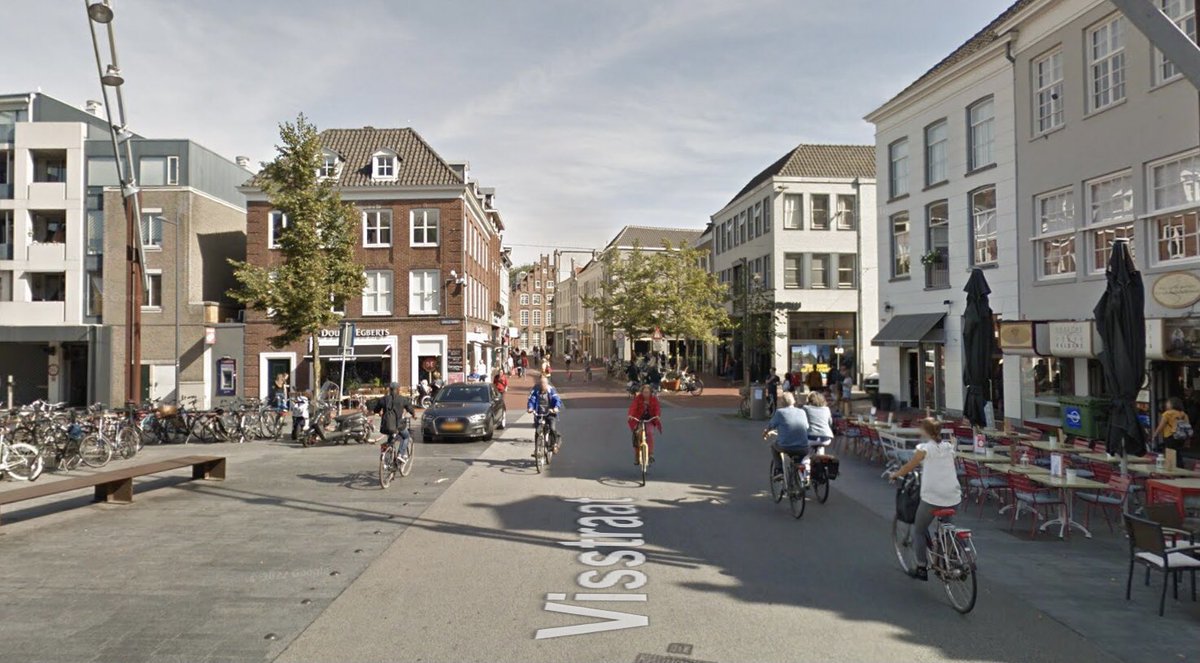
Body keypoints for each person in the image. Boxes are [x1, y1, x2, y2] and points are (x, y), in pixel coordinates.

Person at [889, 418, 962, 582]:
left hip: (933, 498)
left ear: (925, 431)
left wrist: (895, 474)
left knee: (920, 530)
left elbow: (909, 466)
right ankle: (949, 557)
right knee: (946, 527)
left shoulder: (924, 449)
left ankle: (921, 567)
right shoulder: (948, 447)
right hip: (953, 496)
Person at [763, 392, 810, 473]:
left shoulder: (780, 412)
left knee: (773, 447)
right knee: (800, 458)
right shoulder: (802, 412)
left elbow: (771, 425)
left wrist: (766, 432)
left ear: (782, 402)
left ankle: (779, 469)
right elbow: (806, 427)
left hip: (786, 446)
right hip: (803, 446)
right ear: (793, 401)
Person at [372, 382, 416, 462]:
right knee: (406, 437)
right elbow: (410, 408)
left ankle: (387, 457)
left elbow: (376, 410)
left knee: (390, 438)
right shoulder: (402, 399)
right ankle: (400, 454)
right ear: (398, 389)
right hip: (398, 426)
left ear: (389, 389)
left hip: (386, 426)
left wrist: (379, 412)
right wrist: (414, 415)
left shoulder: (383, 399)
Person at [627, 384, 663, 465]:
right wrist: (630, 415)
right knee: (636, 435)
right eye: (644, 392)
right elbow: (633, 407)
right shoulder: (638, 398)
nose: (645, 394)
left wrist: (657, 416)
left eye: (647, 392)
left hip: (649, 419)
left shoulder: (653, 399)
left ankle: (651, 454)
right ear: (641, 392)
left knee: (650, 433)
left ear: (650, 392)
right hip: (638, 419)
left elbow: (657, 408)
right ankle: (637, 455)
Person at [527, 376, 563, 454]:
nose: (543, 385)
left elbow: (556, 399)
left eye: (544, 383)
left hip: (550, 413)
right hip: (539, 414)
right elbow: (531, 399)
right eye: (541, 383)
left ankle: (554, 444)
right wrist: (530, 408)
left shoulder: (551, 390)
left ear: (547, 383)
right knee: (537, 431)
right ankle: (536, 449)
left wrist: (556, 407)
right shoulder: (535, 390)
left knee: (552, 428)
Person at [1152, 397, 1193, 466]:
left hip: (1170, 436)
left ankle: (1171, 470)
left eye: (1168, 403)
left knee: (1170, 454)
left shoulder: (1168, 413)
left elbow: (1161, 426)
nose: (1166, 405)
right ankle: (1181, 469)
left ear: (1172, 404)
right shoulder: (1184, 414)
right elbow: (1187, 428)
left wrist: (1155, 434)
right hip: (1181, 437)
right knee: (1178, 453)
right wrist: (1188, 440)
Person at [804, 391, 834, 456]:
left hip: (810, 437)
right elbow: (830, 423)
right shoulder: (827, 409)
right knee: (820, 449)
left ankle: (806, 461)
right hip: (826, 438)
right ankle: (820, 460)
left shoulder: (806, 408)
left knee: (806, 456)